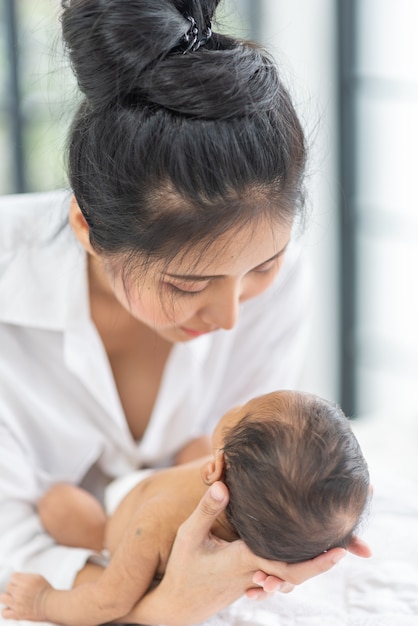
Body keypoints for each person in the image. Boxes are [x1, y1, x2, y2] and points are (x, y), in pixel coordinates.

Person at [0, 1, 371, 624]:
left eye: (261, 265)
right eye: (187, 282)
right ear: (88, 228)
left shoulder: (286, 280)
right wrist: (163, 607)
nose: (230, 315)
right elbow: (13, 560)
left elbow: (251, 493)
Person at [1, 390, 371, 626]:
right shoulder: (253, 502)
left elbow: (107, 601)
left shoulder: (153, 524)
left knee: (59, 502)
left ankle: (93, 531)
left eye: (243, 410)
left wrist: (44, 601)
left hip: (115, 523)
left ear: (216, 469)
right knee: (194, 443)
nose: (237, 403)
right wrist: (326, 527)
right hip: (163, 485)